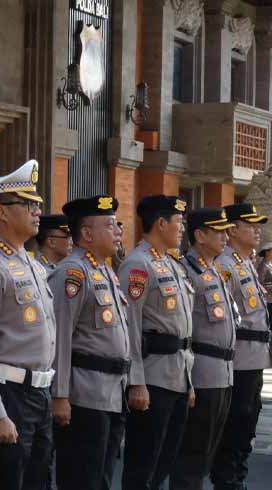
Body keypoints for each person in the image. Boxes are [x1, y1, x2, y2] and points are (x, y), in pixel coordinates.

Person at [0, 160, 56, 490]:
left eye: (37, 203)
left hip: (40, 392)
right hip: (10, 394)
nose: (38, 210)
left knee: (38, 480)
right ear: (2, 212)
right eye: (28, 204)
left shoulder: (32, 263)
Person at [48, 196, 129, 490]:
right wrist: (59, 395)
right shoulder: (73, 272)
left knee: (103, 477)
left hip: (112, 392)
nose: (118, 230)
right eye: (109, 225)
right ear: (86, 234)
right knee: (82, 477)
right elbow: (60, 337)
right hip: (85, 395)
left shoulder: (106, 271)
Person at [118, 195, 194, 490]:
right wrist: (136, 381)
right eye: (179, 222)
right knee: (142, 466)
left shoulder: (171, 264)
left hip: (177, 377)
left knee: (165, 460)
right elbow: (131, 326)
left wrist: (189, 382)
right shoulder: (137, 265)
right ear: (161, 224)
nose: (182, 228)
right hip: (153, 378)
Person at [169, 208, 236, 490]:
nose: (225, 236)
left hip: (224, 372)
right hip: (203, 372)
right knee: (192, 455)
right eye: (218, 231)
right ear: (199, 235)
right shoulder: (188, 271)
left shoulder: (214, 270)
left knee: (208, 454)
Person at [210, 203, 272, 490]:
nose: (257, 230)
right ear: (232, 229)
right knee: (235, 426)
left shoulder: (244, 262)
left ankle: (237, 478)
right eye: (250, 225)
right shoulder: (224, 266)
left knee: (247, 425)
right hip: (238, 362)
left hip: (254, 359)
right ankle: (227, 481)